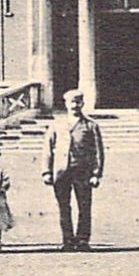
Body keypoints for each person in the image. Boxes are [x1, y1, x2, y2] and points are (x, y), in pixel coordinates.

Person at [42, 89, 104, 251]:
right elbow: (47, 149)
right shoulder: (57, 125)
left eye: (78, 102)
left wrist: (96, 174)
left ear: (82, 104)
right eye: (72, 102)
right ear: (66, 104)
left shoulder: (90, 126)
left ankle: (83, 240)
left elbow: (98, 152)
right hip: (61, 172)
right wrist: (46, 172)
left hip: (82, 171)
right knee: (64, 207)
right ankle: (68, 240)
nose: (75, 105)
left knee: (84, 207)